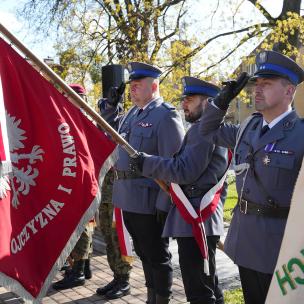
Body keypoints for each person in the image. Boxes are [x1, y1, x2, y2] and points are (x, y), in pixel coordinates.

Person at [199, 50, 304, 304]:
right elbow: (207, 130)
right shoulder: (248, 127)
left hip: (281, 246)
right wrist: (220, 102)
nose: (257, 89)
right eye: (257, 83)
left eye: (266, 84)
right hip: (246, 238)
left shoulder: (300, 133)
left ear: (289, 91)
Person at [130, 76, 228, 304]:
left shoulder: (204, 131)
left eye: (190, 99)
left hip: (197, 217)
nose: (184, 103)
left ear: (207, 103)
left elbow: (185, 170)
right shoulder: (203, 130)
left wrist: (147, 163)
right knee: (207, 283)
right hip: (195, 217)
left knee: (199, 291)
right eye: (184, 98)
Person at [97, 62, 185, 304]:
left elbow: (172, 163)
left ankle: (162, 299)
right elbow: (108, 134)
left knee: (157, 255)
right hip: (126, 196)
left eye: (138, 86)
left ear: (154, 86)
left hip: (150, 198)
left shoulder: (166, 115)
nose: (132, 90)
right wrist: (110, 109)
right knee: (144, 254)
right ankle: (151, 297)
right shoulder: (131, 115)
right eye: (131, 86)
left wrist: (164, 202)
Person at [53, 84, 94, 290]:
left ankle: (78, 270)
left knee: (81, 224)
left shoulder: (84, 117)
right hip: (72, 176)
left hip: (81, 177)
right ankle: (81, 266)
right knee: (77, 223)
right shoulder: (73, 116)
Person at [96, 169, 132, 299]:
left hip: (118, 194)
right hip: (104, 192)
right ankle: (117, 277)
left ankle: (124, 281)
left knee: (118, 238)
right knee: (108, 237)